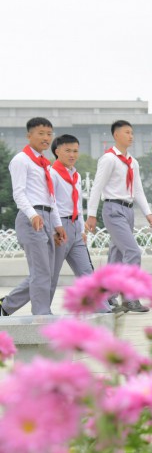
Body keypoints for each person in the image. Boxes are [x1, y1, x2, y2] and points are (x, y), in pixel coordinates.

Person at [85, 120, 152, 313]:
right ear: (116, 135)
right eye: (127, 132)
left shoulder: (133, 162)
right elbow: (96, 187)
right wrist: (91, 214)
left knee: (116, 256)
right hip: (113, 209)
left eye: (132, 133)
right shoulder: (108, 159)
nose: (131, 136)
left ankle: (108, 298)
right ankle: (130, 298)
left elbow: (138, 189)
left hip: (128, 210)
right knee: (133, 251)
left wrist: (148, 212)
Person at [1, 117, 66, 316]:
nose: (46, 138)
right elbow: (18, 193)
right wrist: (32, 215)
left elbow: (51, 198)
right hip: (32, 219)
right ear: (29, 135)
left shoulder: (45, 164)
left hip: (46, 217)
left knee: (46, 272)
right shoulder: (21, 160)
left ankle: (6, 306)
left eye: (49, 134)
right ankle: (41, 314)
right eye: (41, 133)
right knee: (41, 271)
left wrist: (57, 224)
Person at [48, 135, 109, 313]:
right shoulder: (52, 174)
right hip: (59, 229)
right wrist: (55, 228)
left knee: (87, 272)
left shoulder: (76, 175)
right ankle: (39, 310)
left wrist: (81, 229)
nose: (72, 154)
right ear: (57, 151)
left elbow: (77, 205)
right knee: (50, 275)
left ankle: (103, 310)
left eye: (75, 151)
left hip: (74, 229)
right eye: (68, 150)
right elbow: (51, 205)